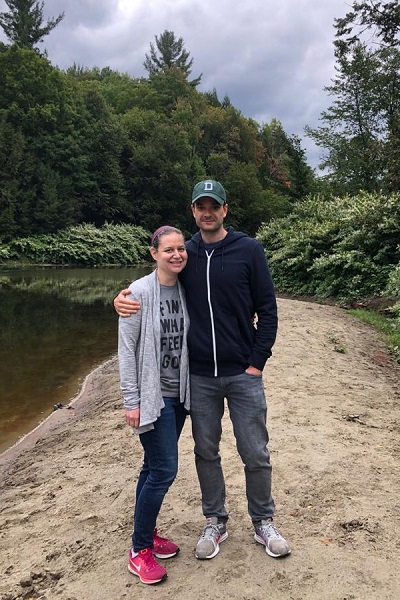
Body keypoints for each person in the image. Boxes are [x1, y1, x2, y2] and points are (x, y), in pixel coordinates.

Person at [115, 180, 290, 561]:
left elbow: (269, 310)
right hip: (198, 379)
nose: (207, 212)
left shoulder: (248, 249)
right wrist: (121, 298)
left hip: (244, 374)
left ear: (225, 209)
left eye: (214, 206)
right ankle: (216, 520)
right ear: (193, 211)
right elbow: (153, 288)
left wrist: (257, 363)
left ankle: (263, 521)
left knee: (255, 451)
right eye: (200, 206)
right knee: (205, 451)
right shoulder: (186, 253)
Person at [118, 225, 190, 585]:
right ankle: (139, 550)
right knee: (164, 470)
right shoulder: (138, 293)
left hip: (182, 393)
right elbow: (126, 352)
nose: (176, 255)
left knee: (152, 467)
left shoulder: (187, 286)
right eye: (168, 250)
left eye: (181, 249)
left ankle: (146, 533)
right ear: (154, 253)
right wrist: (132, 401)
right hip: (153, 395)